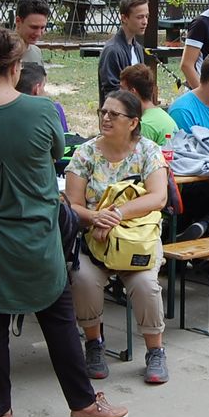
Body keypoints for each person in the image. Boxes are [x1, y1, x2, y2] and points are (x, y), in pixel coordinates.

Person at [0, 26, 127, 417]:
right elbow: (53, 153)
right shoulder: (41, 110)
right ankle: (82, 404)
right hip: (34, 232)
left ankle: (0, 415)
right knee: (58, 318)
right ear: (16, 67)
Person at [65, 90, 170, 383]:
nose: (106, 118)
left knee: (146, 284)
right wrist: (95, 217)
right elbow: (72, 203)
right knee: (83, 279)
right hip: (94, 240)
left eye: (114, 114)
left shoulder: (148, 151)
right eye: (103, 112)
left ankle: (156, 351)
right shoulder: (85, 153)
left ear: (133, 122)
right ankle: (94, 344)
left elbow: (159, 197)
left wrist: (117, 215)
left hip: (137, 239)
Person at [98, 0, 148, 104]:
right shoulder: (112, 51)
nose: (145, 21)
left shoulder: (138, 48)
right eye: (140, 17)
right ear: (124, 18)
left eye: (146, 16)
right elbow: (111, 93)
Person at [118, 63, 177, 145]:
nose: (119, 92)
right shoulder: (161, 114)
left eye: (122, 88)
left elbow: (137, 152)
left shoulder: (145, 125)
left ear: (132, 92)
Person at [18, 60, 69, 131]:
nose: (46, 93)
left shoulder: (8, 109)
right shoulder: (53, 109)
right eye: (43, 86)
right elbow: (65, 136)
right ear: (37, 89)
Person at [15, 0, 51, 66]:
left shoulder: (36, 52)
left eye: (42, 28)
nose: (38, 33)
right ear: (18, 21)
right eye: (34, 27)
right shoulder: (2, 54)